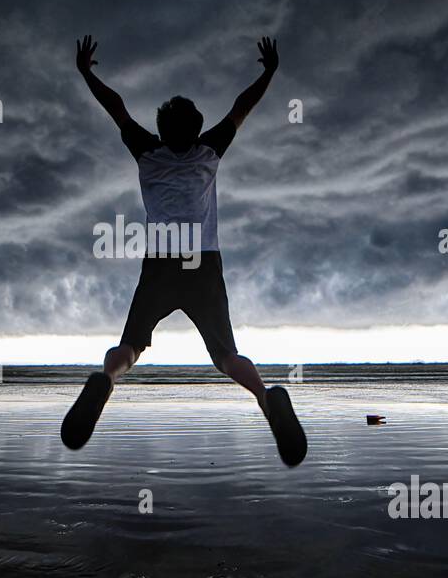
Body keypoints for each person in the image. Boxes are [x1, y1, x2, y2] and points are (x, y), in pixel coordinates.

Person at [60, 34, 308, 466]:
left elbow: (115, 107)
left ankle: (106, 379)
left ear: (160, 130)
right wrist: (268, 72)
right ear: (197, 129)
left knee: (131, 348)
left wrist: (86, 73)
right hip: (204, 264)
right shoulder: (209, 151)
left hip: (160, 263)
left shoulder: (147, 153)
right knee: (226, 356)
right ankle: (265, 398)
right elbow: (241, 107)